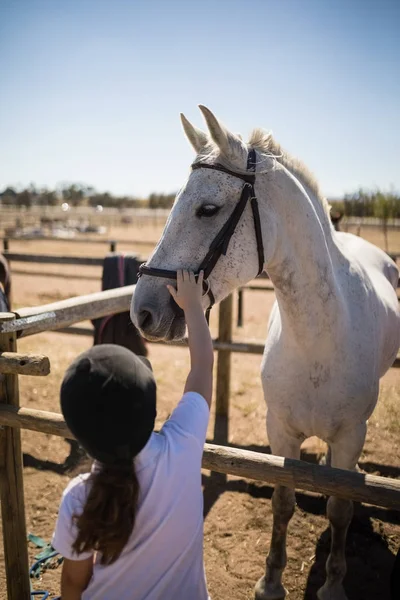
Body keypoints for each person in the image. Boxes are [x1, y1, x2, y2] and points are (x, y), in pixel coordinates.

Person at [52, 270, 214, 600]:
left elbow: (72, 585)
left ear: (82, 436)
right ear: (151, 409)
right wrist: (193, 306)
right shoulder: (183, 444)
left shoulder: (80, 498)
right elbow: (202, 366)